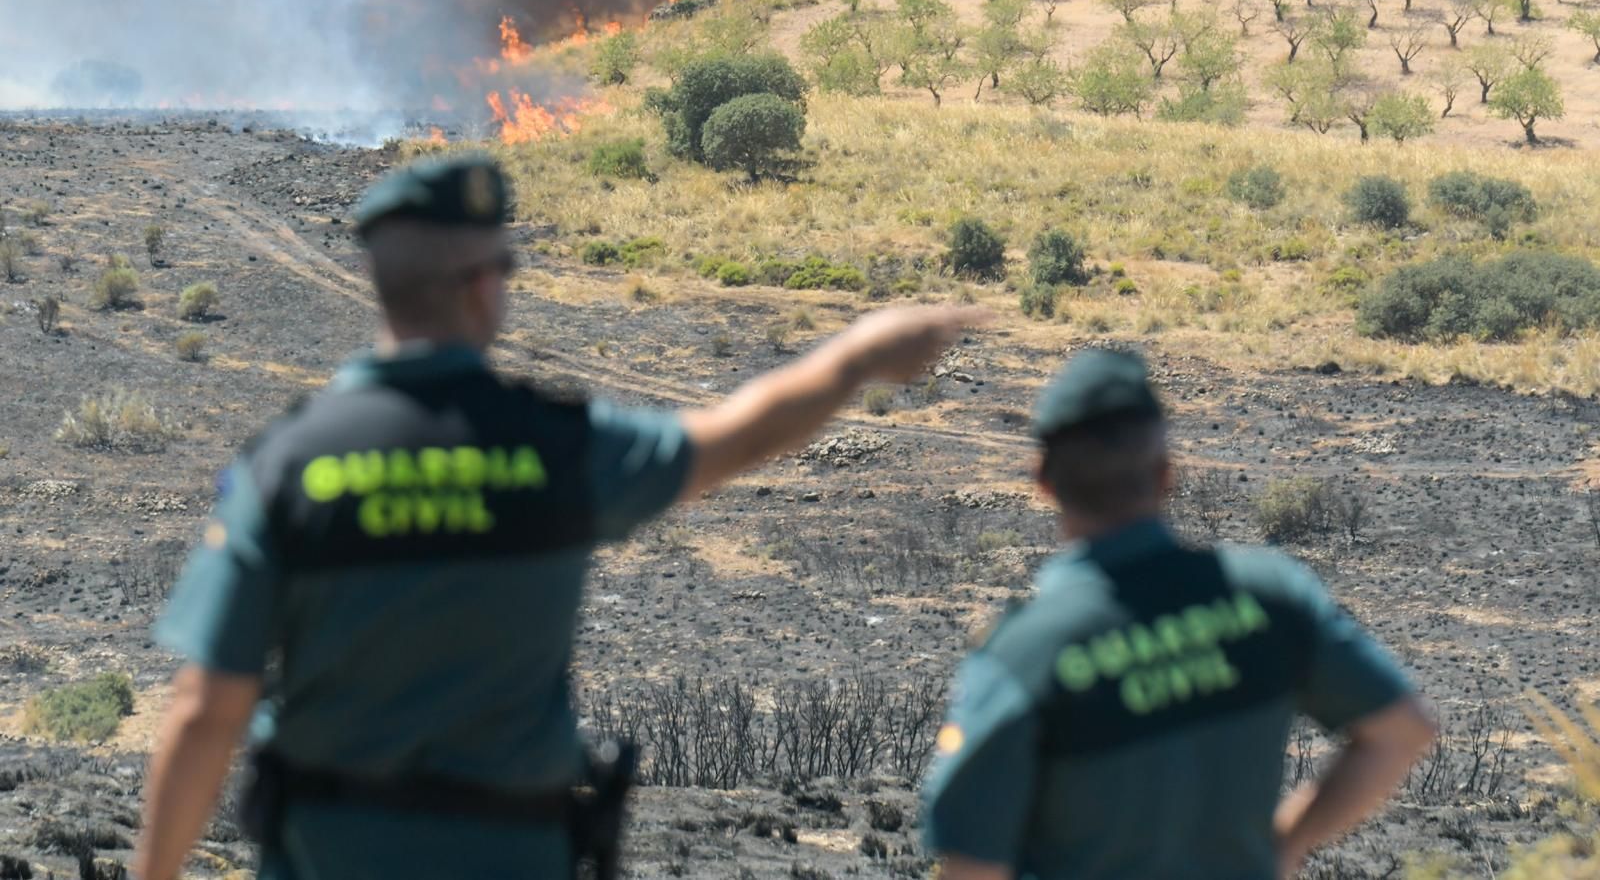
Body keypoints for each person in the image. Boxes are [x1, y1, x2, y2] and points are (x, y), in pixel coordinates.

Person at [133, 151, 978, 880]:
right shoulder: (557, 450)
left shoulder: (287, 468)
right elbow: (737, 437)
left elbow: (208, 710)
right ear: (479, 288)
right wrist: (859, 354)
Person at [921, 349, 1436, 880]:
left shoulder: (1023, 653)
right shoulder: (1271, 595)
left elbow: (973, 867)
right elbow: (1402, 731)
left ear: (1042, 481)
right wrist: (1286, 844)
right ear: (1166, 475)